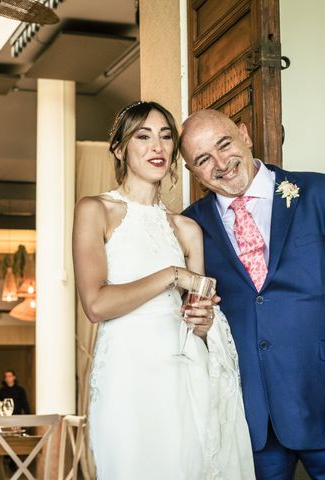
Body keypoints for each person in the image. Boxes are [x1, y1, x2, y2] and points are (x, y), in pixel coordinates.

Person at [180, 109, 325, 479]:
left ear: (244, 135)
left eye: (224, 144)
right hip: (247, 423)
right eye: (202, 159)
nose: (221, 163)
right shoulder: (189, 225)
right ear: (192, 172)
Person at [73, 101, 255, 479]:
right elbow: (95, 304)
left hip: (184, 374)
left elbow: (199, 318)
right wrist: (172, 274)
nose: (157, 146)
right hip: (127, 375)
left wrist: (204, 323)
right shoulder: (96, 210)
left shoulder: (187, 229)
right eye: (143, 136)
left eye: (166, 136)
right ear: (121, 149)